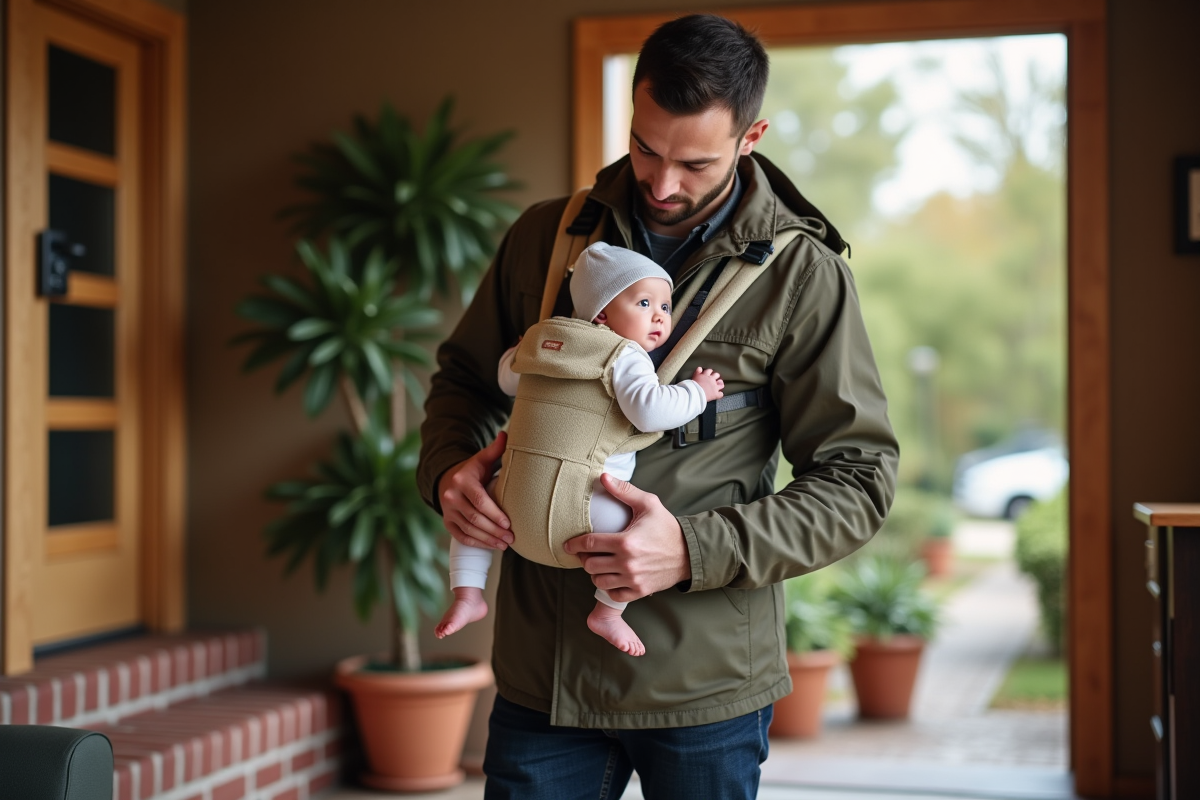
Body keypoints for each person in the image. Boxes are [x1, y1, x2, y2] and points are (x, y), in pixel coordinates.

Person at [418, 13, 899, 800]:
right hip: (543, 684)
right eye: (645, 147)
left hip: (704, 692)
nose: (662, 183)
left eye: (696, 162)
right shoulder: (545, 235)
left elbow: (858, 481)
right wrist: (449, 475)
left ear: (753, 136)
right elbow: (464, 386)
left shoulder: (805, 275)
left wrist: (692, 551)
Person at [434, 242, 725, 656]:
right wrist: (697, 391)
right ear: (602, 313)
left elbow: (506, 379)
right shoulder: (626, 354)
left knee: (474, 510)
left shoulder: (541, 337)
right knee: (634, 534)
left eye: (666, 304)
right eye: (644, 302)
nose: (660, 315)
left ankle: (467, 593)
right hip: (588, 506)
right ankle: (607, 612)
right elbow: (650, 410)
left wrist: (518, 350)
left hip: (512, 502)